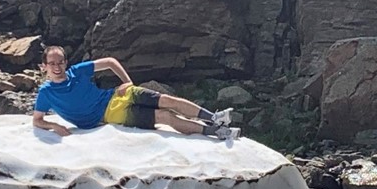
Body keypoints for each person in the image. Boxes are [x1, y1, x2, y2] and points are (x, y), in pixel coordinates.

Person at [31, 46, 239, 139]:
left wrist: (128, 82)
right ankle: (214, 132)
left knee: (167, 100)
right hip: (108, 115)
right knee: (164, 117)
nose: (57, 67)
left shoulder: (77, 71)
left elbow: (110, 62)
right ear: (44, 66)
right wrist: (54, 126)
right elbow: (37, 120)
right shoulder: (46, 92)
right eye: (52, 63)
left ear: (65, 62)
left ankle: (214, 118)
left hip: (116, 95)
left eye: (60, 62)